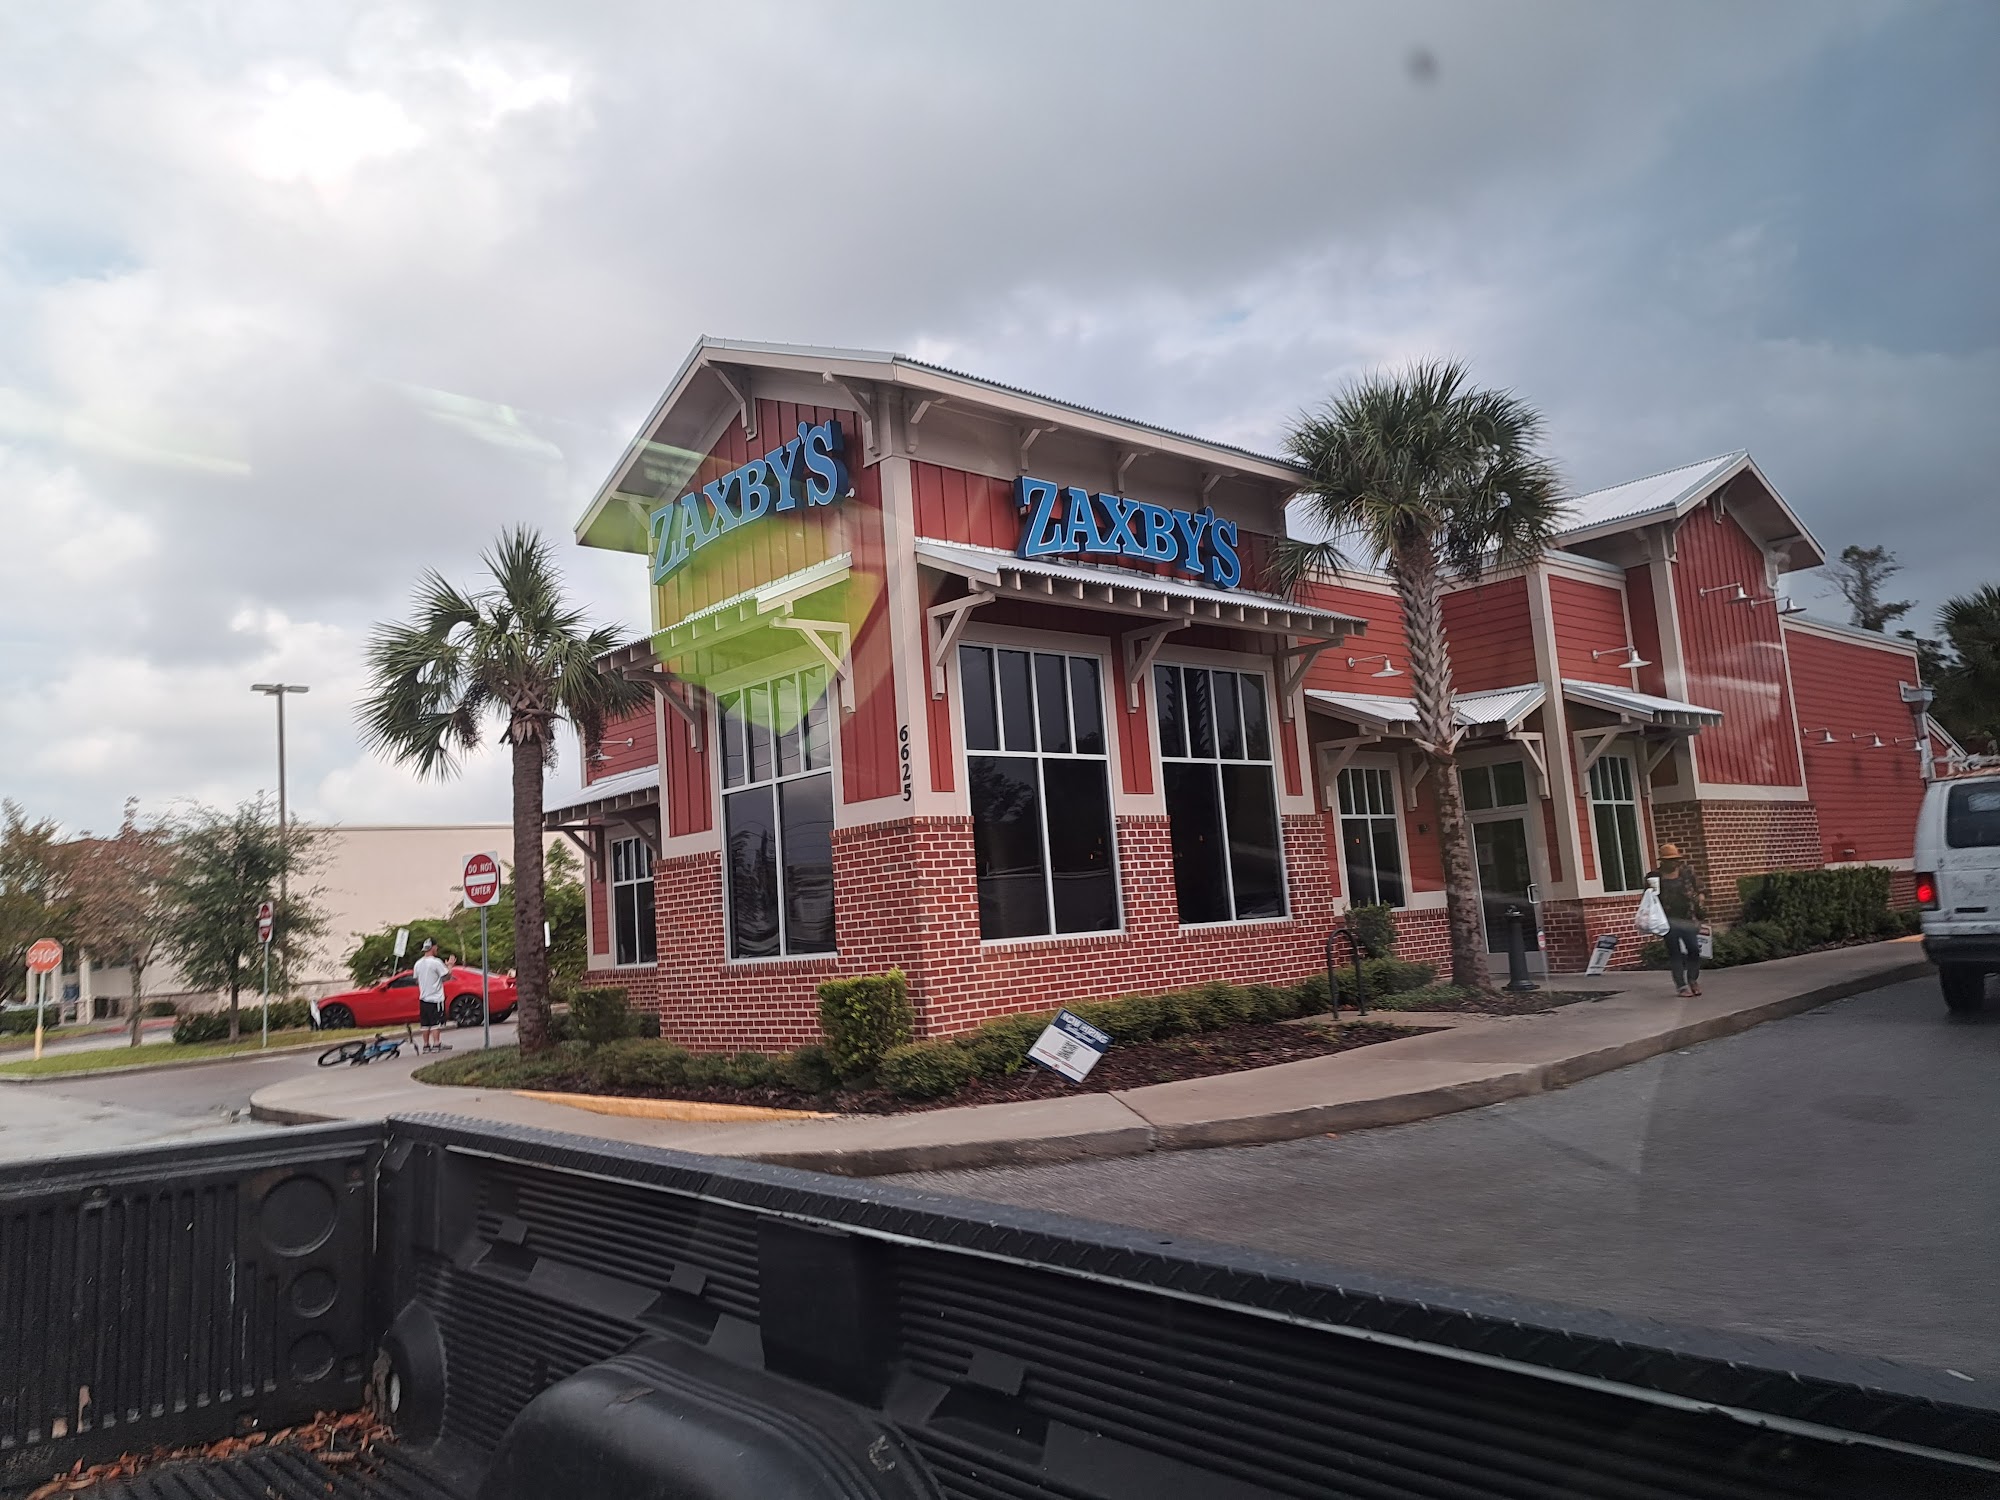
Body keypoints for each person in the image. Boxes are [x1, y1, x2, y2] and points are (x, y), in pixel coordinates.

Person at [1645, 843, 1710, 997]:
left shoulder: (1687, 873)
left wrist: (1700, 899)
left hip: (1687, 918)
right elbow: (1648, 898)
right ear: (1663, 861)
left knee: (1694, 949)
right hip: (1667, 921)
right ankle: (1681, 986)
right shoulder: (1654, 877)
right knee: (1675, 953)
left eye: (1675, 859)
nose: (1674, 862)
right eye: (1670, 860)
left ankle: (1693, 979)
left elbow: (1701, 888)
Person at [413, 937, 452, 1053]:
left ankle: (426, 1045)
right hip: (435, 998)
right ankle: (436, 1043)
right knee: (436, 1022)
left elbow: (416, 980)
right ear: (433, 947)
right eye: (436, 947)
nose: (437, 949)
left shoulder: (418, 964)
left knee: (425, 1023)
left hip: (423, 997)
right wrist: (450, 965)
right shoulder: (436, 962)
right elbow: (447, 976)